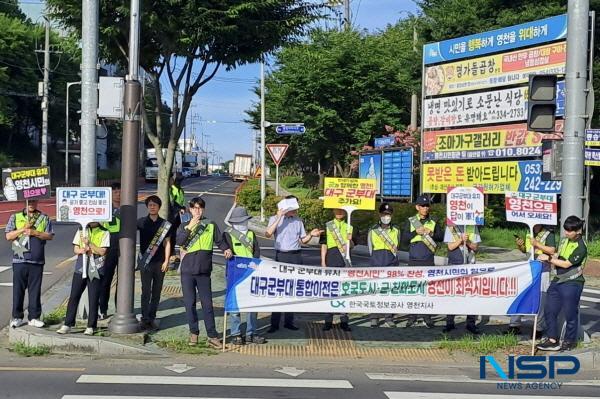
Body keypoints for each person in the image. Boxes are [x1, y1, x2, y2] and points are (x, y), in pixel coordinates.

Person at [176, 196, 232, 348]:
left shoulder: (210, 225)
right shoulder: (184, 226)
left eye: (200, 208)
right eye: (194, 208)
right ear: (190, 209)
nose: (197, 211)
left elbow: (219, 240)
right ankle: (194, 333)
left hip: (204, 271)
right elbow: (180, 241)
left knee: (207, 305)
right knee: (190, 303)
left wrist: (226, 249)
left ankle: (212, 336)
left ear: (204, 209)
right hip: (187, 271)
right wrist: (190, 227)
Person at [265, 195, 321, 333]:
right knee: (279, 290)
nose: (296, 210)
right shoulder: (274, 219)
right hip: (281, 255)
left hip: (296, 256)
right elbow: (267, 234)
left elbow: (303, 240)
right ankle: (274, 323)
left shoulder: (298, 221)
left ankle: (289, 321)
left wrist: (311, 235)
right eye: (293, 207)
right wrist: (279, 216)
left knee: (292, 289)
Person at [537, 216, 587, 352]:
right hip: (558, 280)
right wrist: (550, 258)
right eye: (565, 230)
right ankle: (552, 339)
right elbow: (559, 256)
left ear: (578, 231)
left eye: (570, 231)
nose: (566, 233)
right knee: (549, 309)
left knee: (570, 313)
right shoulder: (565, 240)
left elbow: (566, 264)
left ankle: (569, 341)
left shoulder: (581, 246)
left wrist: (548, 258)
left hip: (572, 282)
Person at [5, 200, 54, 328]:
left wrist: (35, 232)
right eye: (29, 201)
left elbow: (49, 236)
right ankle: (17, 317)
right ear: (25, 201)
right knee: (18, 290)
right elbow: (8, 236)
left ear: (37, 201)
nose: (31, 203)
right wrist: (22, 229)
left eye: (33, 201)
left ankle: (34, 317)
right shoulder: (15, 217)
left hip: (37, 260)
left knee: (35, 290)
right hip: (19, 260)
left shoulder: (44, 218)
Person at [223, 205, 266, 345]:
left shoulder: (251, 234)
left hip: (250, 274)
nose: (243, 224)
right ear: (234, 222)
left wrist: (253, 266)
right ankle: (236, 334)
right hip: (235, 274)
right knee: (235, 306)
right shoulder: (227, 234)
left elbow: (256, 252)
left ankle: (251, 333)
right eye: (240, 221)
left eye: (245, 221)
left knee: (252, 305)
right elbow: (228, 252)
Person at [57, 222, 110, 335]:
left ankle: (91, 326)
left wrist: (89, 244)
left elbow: (102, 251)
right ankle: (68, 324)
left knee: (93, 297)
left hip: (95, 268)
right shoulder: (81, 229)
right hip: (81, 267)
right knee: (74, 296)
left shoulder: (104, 231)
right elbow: (76, 248)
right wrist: (82, 250)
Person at [401, 194, 444, 328]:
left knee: (427, 289)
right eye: (423, 206)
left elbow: (441, 237)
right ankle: (412, 316)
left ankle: (427, 317)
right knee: (413, 289)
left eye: (427, 206)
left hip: (428, 260)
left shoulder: (433, 221)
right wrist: (416, 232)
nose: (425, 208)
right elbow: (403, 240)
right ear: (417, 207)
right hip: (414, 260)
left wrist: (431, 234)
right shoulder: (411, 221)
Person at [506, 224, 556, 335]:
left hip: (543, 269)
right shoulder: (530, 231)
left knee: (541, 298)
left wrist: (537, 244)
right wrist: (521, 246)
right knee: (521, 294)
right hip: (528, 269)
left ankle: (538, 328)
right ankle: (514, 325)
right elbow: (527, 251)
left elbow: (552, 250)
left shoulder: (548, 233)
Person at [137, 195, 172, 331]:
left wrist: (167, 260)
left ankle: (152, 317)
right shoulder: (140, 222)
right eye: (150, 205)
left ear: (159, 207)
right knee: (146, 291)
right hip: (145, 262)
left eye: (155, 205)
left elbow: (167, 243)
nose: (152, 207)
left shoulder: (165, 224)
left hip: (159, 262)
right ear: (147, 207)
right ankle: (144, 318)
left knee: (157, 291)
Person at [443, 223, 481, 334]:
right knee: (452, 294)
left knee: (471, 294)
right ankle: (449, 322)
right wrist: (460, 239)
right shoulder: (451, 227)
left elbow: (475, 247)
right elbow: (450, 246)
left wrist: (467, 241)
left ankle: (471, 323)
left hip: (470, 266)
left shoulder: (472, 227)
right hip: (455, 265)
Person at [368, 203, 400, 328]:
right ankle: (374, 317)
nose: (386, 217)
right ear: (380, 215)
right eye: (384, 214)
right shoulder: (373, 230)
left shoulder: (396, 230)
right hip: (376, 263)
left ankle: (389, 317)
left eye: (388, 214)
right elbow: (370, 249)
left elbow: (397, 248)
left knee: (390, 292)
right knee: (375, 291)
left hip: (391, 264)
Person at [320, 208, 353, 332]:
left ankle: (344, 321)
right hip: (331, 261)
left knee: (344, 292)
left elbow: (354, 245)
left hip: (345, 262)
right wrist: (323, 262)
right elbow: (323, 244)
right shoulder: (327, 225)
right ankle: (328, 320)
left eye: (341, 210)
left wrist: (351, 240)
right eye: (337, 210)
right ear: (333, 211)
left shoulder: (350, 225)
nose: (339, 212)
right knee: (329, 291)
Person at [98, 182, 121, 319]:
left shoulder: (127, 208)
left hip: (124, 245)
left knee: (123, 279)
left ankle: (121, 307)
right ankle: (103, 308)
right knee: (106, 278)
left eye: (120, 191)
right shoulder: (105, 208)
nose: (118, 194)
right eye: (115, 192)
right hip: (109, 245)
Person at [169, 172, 186, 262]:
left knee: (176, 234)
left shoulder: (181, 190)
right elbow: (171, 203)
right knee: (170, 235)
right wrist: (179, 208)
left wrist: (183, 208)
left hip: (179, 217)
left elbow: (182, 202)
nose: (179, 182)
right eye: (178, 180)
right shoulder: (171, 189)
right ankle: (170, 253)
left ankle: (173, 252)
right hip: (172, 216)